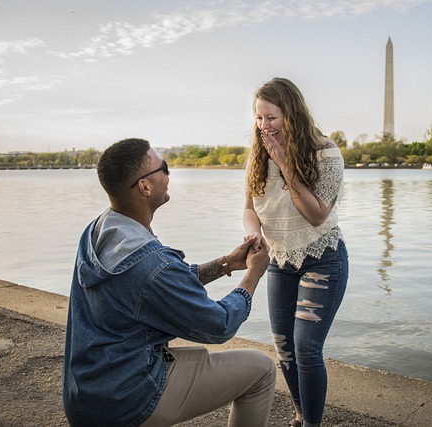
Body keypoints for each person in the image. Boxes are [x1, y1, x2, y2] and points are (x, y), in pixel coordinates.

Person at [62, 138, 276, 427]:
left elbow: (154, 288)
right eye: (163, 168)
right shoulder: (150, 263)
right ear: (145, 187)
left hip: (86, 394)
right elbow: (219, 324)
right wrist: (253, 274)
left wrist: (225, 263)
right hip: (125, 401)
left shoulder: (99, 230)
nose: (169, 173)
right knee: (261, 369)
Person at [243, 78, 349, 427]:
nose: (264, 126)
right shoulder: (257, 156)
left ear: (292, 113)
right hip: (280, 261)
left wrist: (287, 163)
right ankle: (302, 414)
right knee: (284, 348)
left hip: (323, 259)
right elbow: (249, 208)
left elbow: (317, 214)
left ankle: (312, 424)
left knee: (305, 348)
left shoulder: (326, 153)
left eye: (270, 118)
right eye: (259, 119)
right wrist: (253, 233)